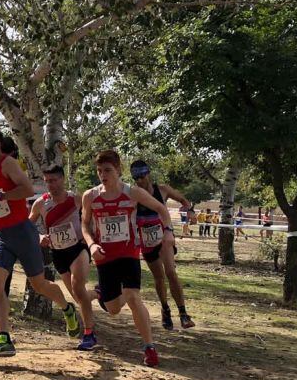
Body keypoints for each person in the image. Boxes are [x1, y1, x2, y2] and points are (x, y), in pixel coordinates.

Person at [0, 127, 80, 358]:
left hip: (22, 232)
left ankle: (67, 308)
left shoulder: (8, 164)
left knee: (40, 285)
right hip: (1, 234)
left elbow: (27, 189)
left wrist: (2, 195)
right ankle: (3, 338)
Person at [81, 150, 172, 367]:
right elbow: (84, 224)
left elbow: (161, 209)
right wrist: (92, 244)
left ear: (119, 170)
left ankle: (149, 347)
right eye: (100, 171)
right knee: (113, 309)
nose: (103, 175)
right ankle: (105, 292)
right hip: (104, 256)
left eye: (108, 170)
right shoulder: (90, 196)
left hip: (129, 252)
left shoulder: (132, 193)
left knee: (133, 297)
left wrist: (167, 230)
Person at [29, 164, 100, 350]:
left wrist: (90, 238)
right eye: (47, 181)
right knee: (78, 297)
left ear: (63, 179)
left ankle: (89, 334)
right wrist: (39, 237)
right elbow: (28, 227)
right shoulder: (41, 203)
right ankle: (100, 293)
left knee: (78, 286)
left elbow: (90, 218)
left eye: (54, 180)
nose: (51, 185)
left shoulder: (76, 198)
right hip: (58, 253)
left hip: (78, 248)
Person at [129, 160, 195, 331]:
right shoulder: (133, 194)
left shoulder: (163, 190)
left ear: (148, 173)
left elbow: (183, 200)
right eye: (135, 177)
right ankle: (165, 309)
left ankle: (183, 313)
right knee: (159, 278)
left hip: (164, 238)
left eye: (142, 176)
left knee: (171, 272)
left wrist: (190, 210)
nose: (139, 180)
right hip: (147, 240)